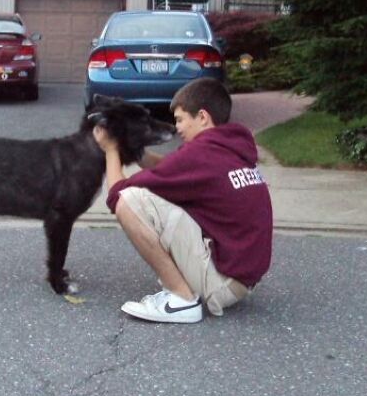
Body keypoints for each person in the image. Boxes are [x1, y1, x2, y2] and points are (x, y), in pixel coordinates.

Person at [93, 77, 272, 324]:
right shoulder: (228, 147)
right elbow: (170, 169)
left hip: (224, 283)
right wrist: (135, 151)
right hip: (240, 277)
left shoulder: (201, 155)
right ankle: (188, 290)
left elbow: (116, 194)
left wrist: (111, 149)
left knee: (130, 201)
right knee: (154, 197)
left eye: (180, 120)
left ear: (202, 117)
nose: (177, 128)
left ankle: (182, 300)